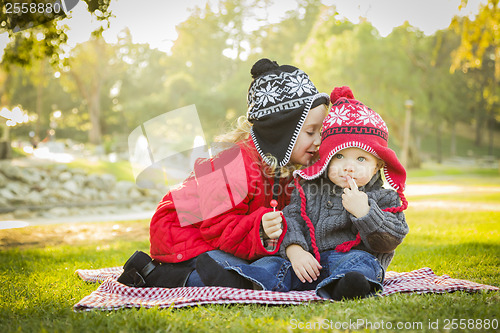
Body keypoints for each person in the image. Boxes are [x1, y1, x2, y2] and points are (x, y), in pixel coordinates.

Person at [117, 58, 330, 288]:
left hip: (221, 238)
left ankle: (203, 273)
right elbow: (215, 226)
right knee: (234, 273)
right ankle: (158, 275)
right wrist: (260, 227)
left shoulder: (282, 168)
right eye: (310, 132)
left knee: (264, 265)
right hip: (185, 234)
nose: (318, 141)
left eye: (320, 131)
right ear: (282, 132)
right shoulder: (233, 164)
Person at [195, 86, 409, 300]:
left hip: (349, 261)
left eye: (360, 159)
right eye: (339, 156)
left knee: (362, 263)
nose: (349, 167)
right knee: (274, 265)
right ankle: (241, 279)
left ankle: (346, 286)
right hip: (307, 263)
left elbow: (391, 239)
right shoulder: (309, 188)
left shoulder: (385, 198)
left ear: (378, 164)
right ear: (326, 157)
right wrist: (295, 250)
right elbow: (292, 218)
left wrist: (366, 213)